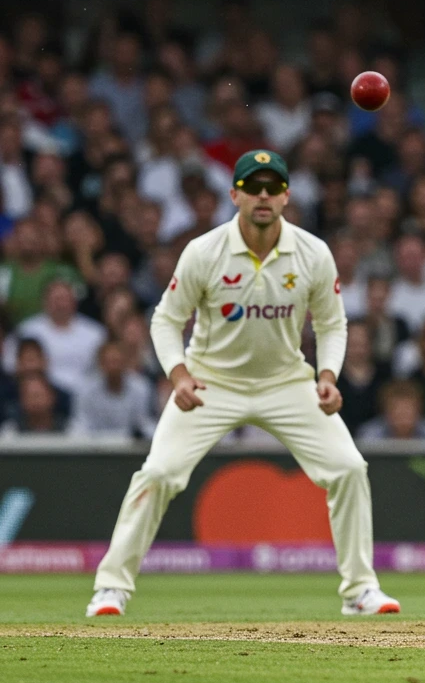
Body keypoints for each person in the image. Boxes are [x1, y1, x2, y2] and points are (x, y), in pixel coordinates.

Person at [85, 150, 399, 618]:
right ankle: (110, 589)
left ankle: (359, 590)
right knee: (158, 474)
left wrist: (328, 376)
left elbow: (332, 324)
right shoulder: (204, 252)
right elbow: (166, 320)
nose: (264, 196)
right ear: (235, 195)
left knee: (349, 468)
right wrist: (179, 375)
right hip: (211, 382)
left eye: (273, 188)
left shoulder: (313, 253)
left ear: (287, 196)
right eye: (254, 188)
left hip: (287, 382)